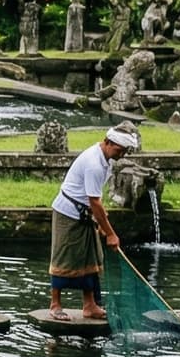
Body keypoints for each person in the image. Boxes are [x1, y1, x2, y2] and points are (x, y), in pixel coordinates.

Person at [49, 126, 136, 320]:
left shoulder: (107, 161)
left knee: (92, 258)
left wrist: (101, 221)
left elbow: (97, 199)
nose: (121, 155)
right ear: (108, 142)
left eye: (124, 151)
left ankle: (90, 305)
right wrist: (111, 233)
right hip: (68, 213)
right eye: (119, 150)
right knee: (63, 257)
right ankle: (55, 304)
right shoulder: (93, 163)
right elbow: (94, 201)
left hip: (86, 214)